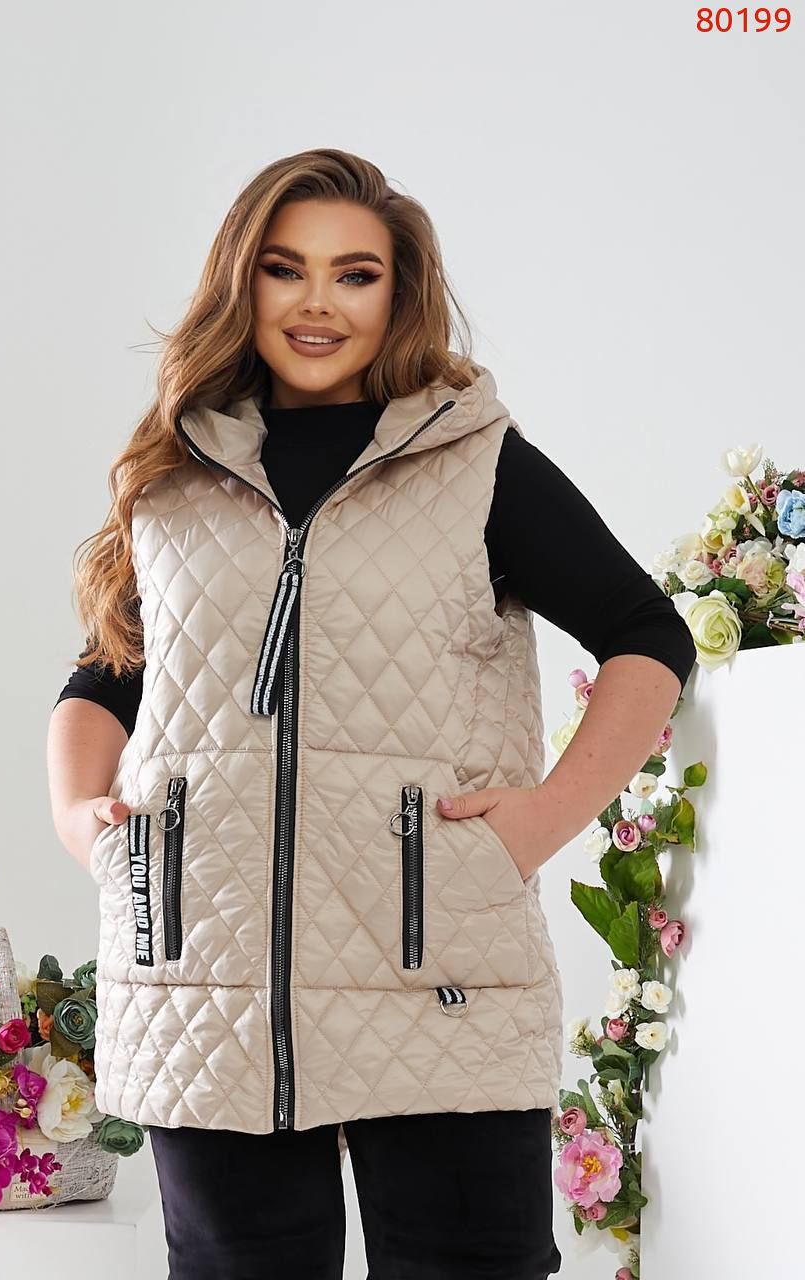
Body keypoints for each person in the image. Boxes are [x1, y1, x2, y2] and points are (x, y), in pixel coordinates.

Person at [47, 147, 695, 1280]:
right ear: (241, 281)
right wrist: (79, 818)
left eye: (354, 274)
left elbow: (647, 636)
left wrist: (539, 823)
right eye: (284, 269)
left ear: (398, 295)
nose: (316, 303)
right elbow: (109, 671)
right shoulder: (176, 471)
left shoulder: (472, 461)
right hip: (206, 980)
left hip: (436, 964)